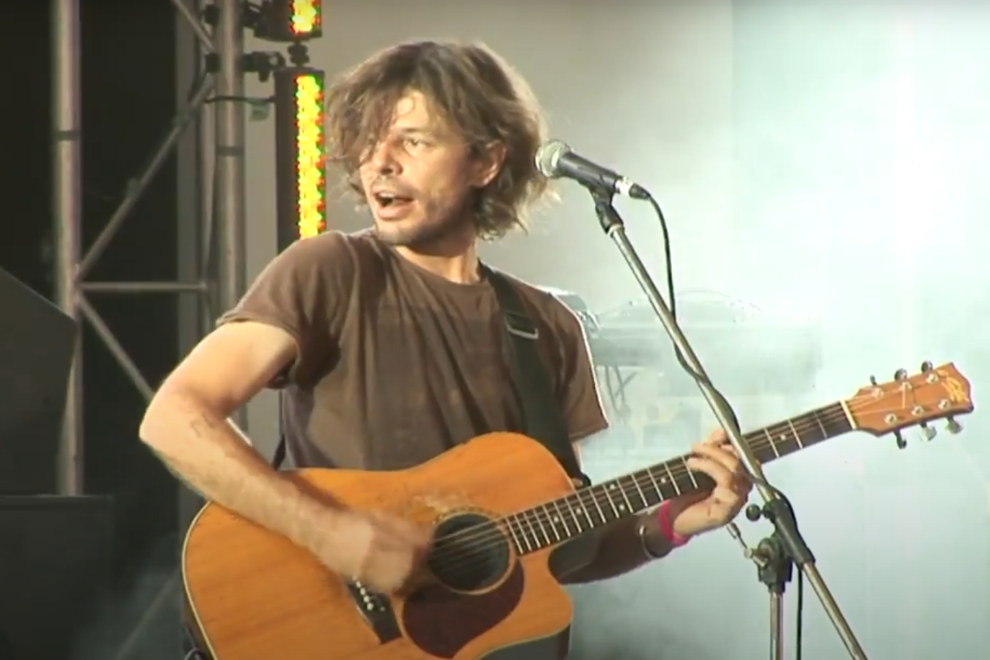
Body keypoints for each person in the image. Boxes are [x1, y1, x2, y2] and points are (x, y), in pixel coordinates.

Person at [139, 40, 750, 602]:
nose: (379, 164)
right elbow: (173, 418)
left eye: (412, 142)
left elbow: (554, 555)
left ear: (486, 161)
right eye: (369, 142)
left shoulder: (549, 328)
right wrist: (329, 533)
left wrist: (670, 523)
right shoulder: (331, 270)